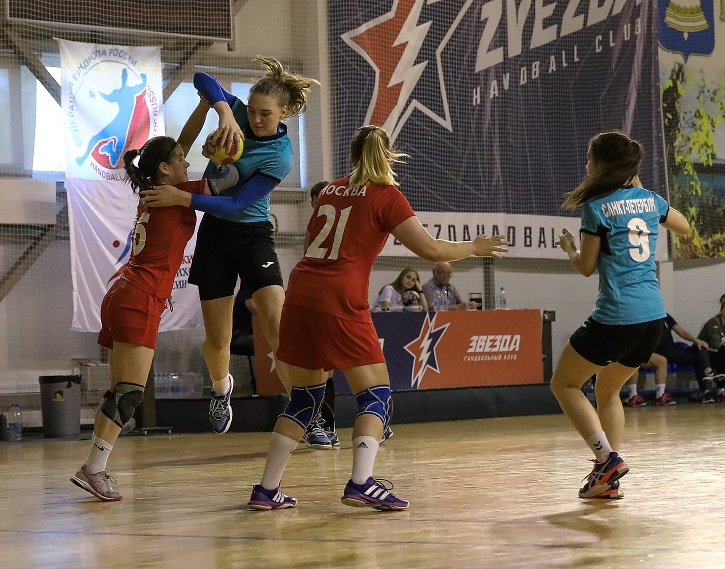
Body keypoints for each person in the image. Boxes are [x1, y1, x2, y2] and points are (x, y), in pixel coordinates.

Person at [247, 124, 507, 510]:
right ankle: (361, 483)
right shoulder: (386, 195)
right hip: (340, 295)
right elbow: (432, 251)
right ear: (388, 156)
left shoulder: (329, 190)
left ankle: (266, 490)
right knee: (376, 395)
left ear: (352, 156)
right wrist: (474, 247)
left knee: (303, 398)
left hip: (301, 289)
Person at [140, 56, 318, 434]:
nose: (256, 119)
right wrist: (223, 110)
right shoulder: (236, 113)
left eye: (265, 114)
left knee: (277, 326)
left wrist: (181, 198)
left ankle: (305, 413)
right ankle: (221, 389)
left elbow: (238, 203)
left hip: (253, 236)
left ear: (284, 113)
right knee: (218, 338)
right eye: (251, 110)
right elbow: (201, 77)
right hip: (216, 235)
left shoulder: (280, 155)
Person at [71, 136, 240, 501]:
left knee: (119, 391)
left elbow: (185, 160)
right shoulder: (175, 194)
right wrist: (225, 142)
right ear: (164, 168)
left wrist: (206, 113)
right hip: (139, 298)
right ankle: (93, 469)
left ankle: (94, 467)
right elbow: (230, 179)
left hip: (124, 293)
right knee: (129, 393)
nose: (187, 163)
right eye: (180, 159)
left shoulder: (153, 191)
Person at [549, 131, 689, 500]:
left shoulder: (596, 206)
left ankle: (607, 459)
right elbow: (684, 226)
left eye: (589, 158)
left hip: (617, 315)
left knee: (563, 385)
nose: (586, 164)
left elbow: (585, 267)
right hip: (653, 317)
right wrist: (642, 193)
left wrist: (569, 247)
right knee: (608, 390)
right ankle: (606, 480)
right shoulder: (651, 200)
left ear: (602, 164)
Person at [654, 313, 722, 403]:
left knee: (701, 347)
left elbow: (681, 332)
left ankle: (708, 373)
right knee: (699, 359)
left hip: (674, 349)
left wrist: (696, 340)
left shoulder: (665, 316)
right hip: (662, 352)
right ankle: (705, 390)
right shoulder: (647, 318)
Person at [697, 295, 725, 402]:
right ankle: (716, 390)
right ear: (721, 310)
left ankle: (721, 390)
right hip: (706, 353)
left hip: (719, 354)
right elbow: (716, 344)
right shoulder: (713, 323)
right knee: (723, 351)